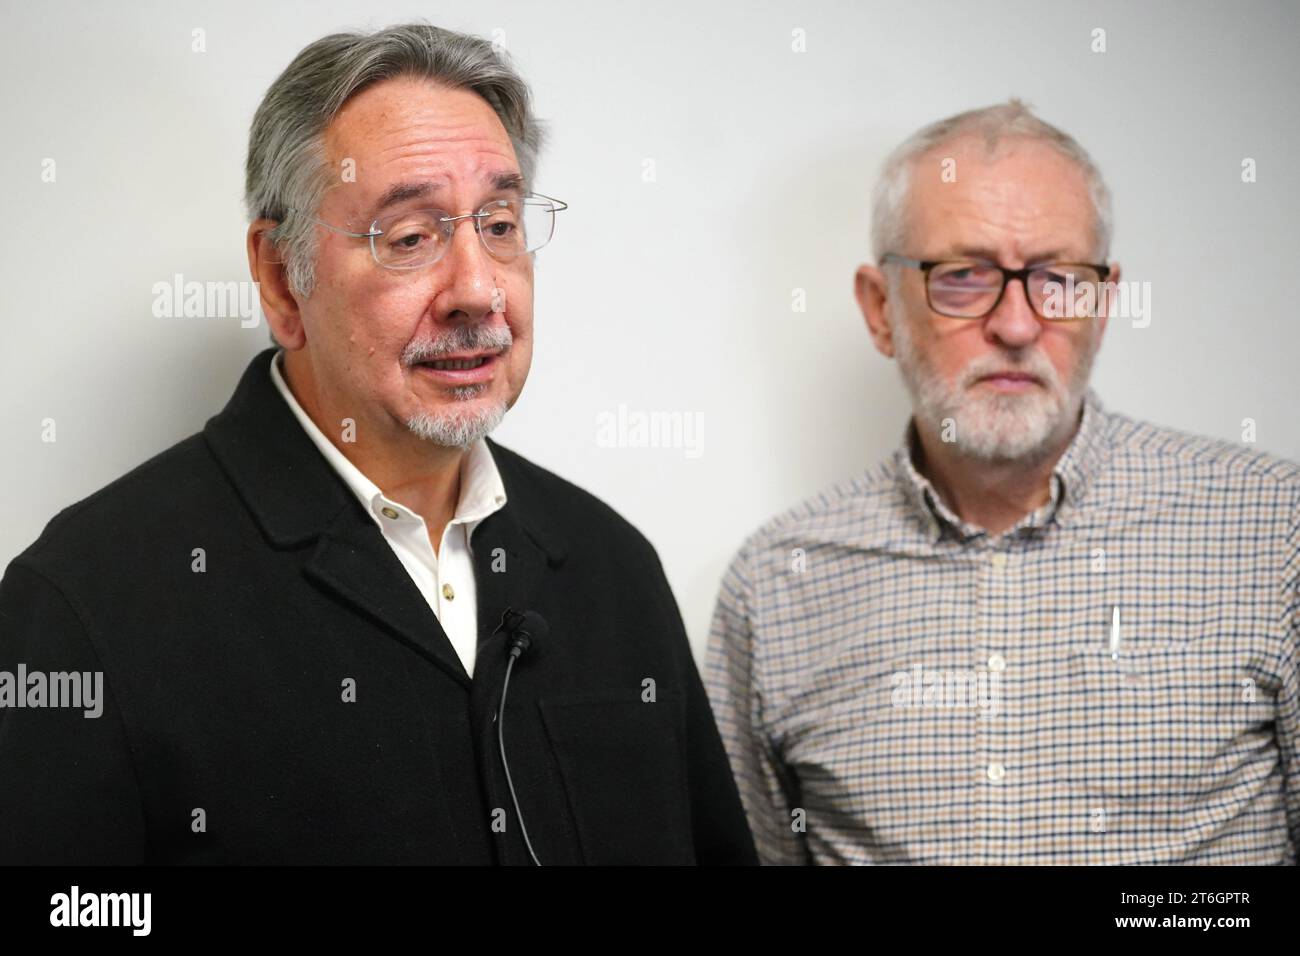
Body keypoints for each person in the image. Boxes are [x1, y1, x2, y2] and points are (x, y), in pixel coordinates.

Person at [0, 22, 756, 866]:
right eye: (409, 238)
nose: (478, 290)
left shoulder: (612, 567)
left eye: (500, 225)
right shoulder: (89, 599)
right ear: (284, 278)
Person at [706, 100, 1299, 865]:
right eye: (963, 278)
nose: (1017, 326)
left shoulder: (1273, 532)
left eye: (1059, 280)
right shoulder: (777, 585)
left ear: (1105, 303)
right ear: (880, 309)